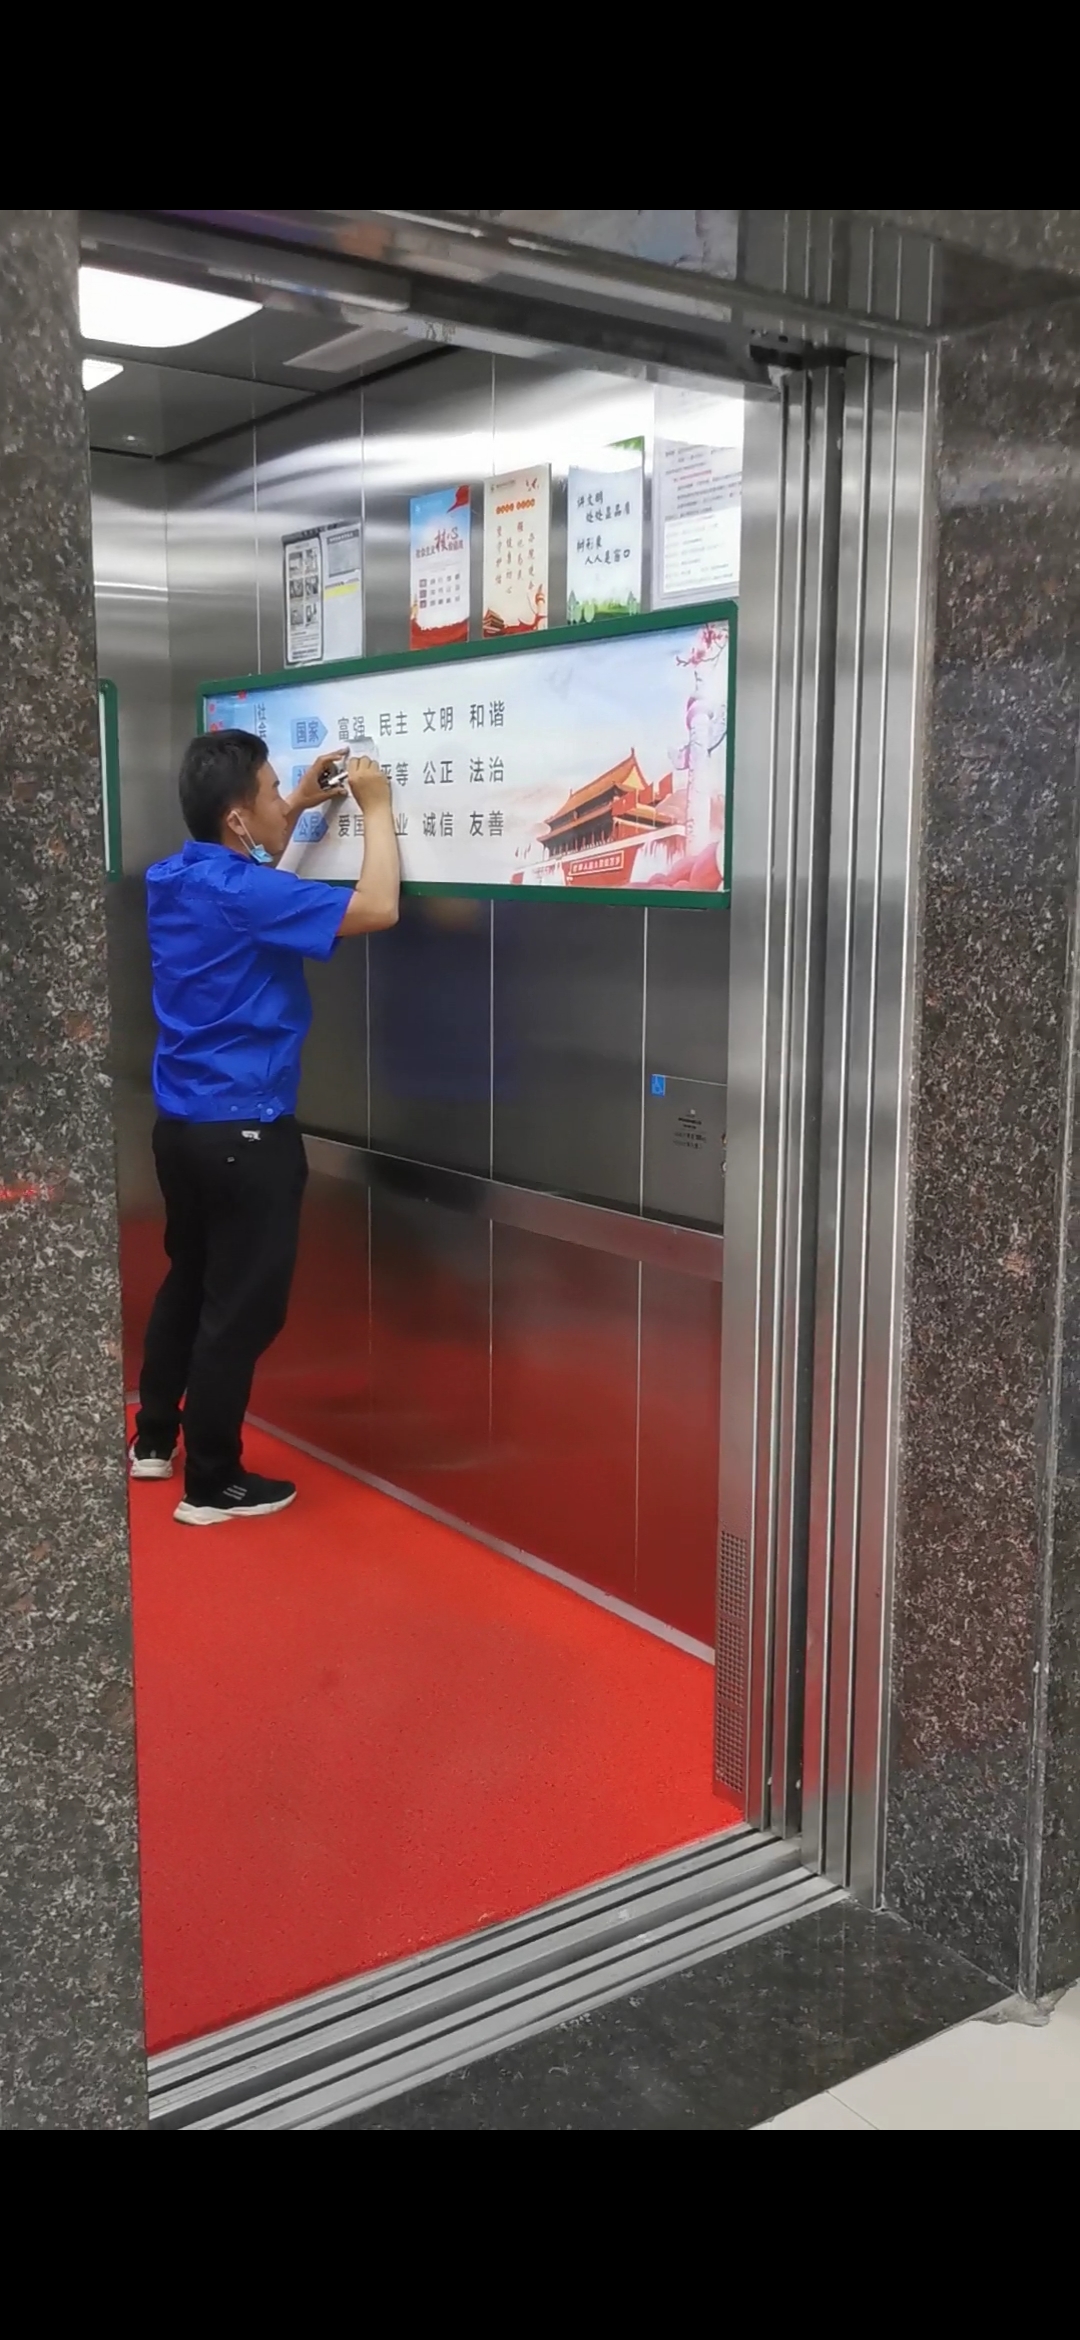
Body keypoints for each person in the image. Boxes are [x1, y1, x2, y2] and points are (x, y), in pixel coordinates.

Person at [129, 731, 399, 1526]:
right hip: (245, 1134)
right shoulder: (244, 893)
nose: (287, 797)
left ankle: (154, 1439)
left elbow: (250, 883)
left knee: (188, 1280)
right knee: (241, 1308)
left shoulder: (175, 878)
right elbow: (378, 907)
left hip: (182, 1131)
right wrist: (374, 807)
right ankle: (213, 1482)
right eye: (274, 789)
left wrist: (303, 805)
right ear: (237, 819)